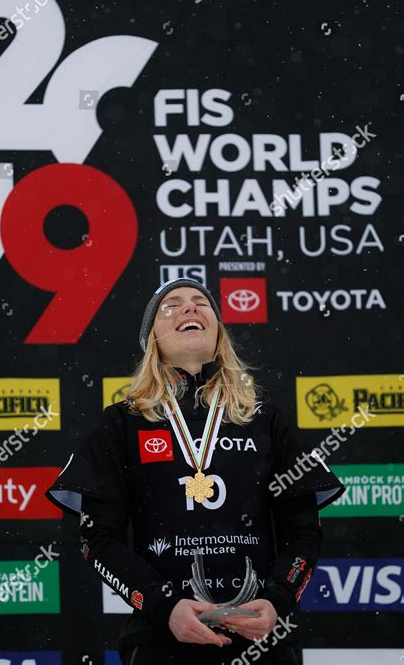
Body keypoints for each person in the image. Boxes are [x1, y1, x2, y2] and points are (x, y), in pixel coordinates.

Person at [45, 278, 345, 665]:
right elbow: (97, 539)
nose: (189, 307)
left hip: (261, 641)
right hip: (160, 638)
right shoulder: (121, 424)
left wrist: (276, 601)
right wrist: (162, 606)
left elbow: (303, 531)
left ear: (219, 332)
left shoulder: (266, 420)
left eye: (200, 302)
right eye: (171, 305)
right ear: (152, 338)